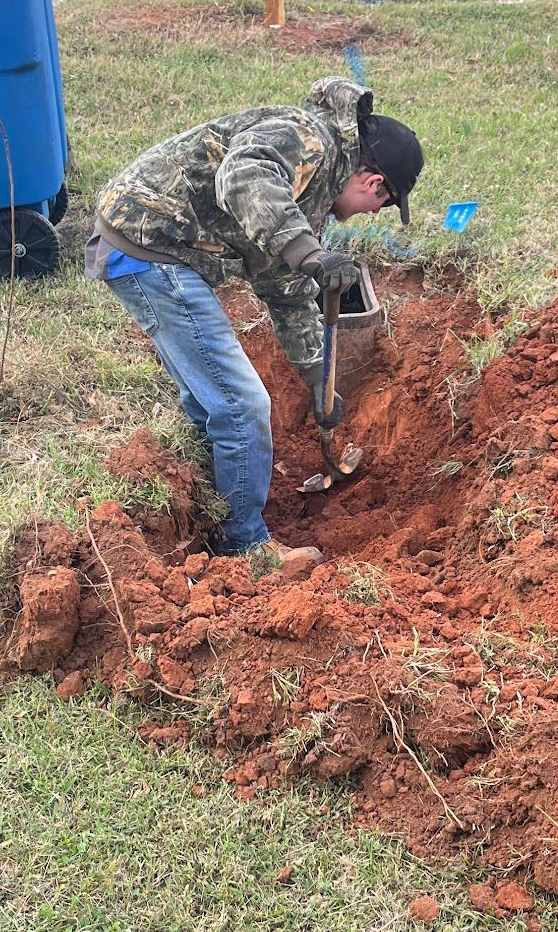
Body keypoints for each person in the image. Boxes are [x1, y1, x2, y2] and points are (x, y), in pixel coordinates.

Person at [84, 79, 424, 571]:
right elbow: (241, 177)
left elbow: (283, 287)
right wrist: (308, 251)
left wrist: (317, 377)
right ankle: (245, 548)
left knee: (211, 398)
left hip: (156, 247)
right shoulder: (310, 140)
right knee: (243, 403)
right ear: (376, 185)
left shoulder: (314, 187)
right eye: (384, 206)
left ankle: (211, 501)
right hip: (152, 245)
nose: (370, 214)